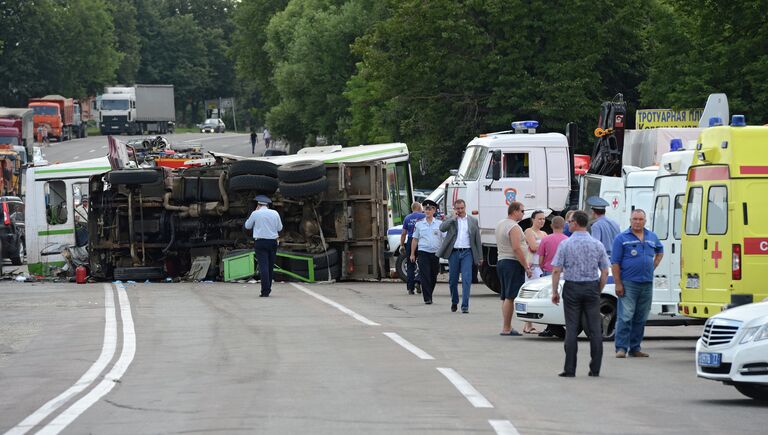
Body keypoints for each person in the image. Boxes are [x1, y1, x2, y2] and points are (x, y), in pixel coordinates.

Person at [551, 210, 610, 378]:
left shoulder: (566, 244)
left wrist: (555, 291)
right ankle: (595, 369)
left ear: (575, 223)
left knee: (571, 328)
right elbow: (605, 271)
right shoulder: (597, 244)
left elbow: (556, 270)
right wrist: (598, 289)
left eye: (570, 221)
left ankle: (570, 369)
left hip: (572, 287)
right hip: (591, 287)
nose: (568, 224)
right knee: (594, 329)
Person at [611, 209, 664, 358]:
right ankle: (621, 348)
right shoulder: (621, 238)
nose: (637, 222)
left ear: (645, 221)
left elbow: (660, 250)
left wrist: (653, 266)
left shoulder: (652, 236)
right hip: (628, 283)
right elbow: (615, 263)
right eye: (635, 219)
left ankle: (635, 348)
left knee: (641, 317)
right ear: (630, 220)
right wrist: (618, 283)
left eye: (640, 219)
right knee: (625, 316)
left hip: (646, 283)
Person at [438, 199, 482, 313]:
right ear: (455, 209)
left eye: (462, 208)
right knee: (453, 280)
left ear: (465, 207)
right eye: (458, 208)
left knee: (467, 279)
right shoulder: (451, 219)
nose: (460, 210)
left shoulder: (473, 220)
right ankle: (454, 301)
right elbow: (442, 228)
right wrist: (453, 218)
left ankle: (465, 306)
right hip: (454, 252)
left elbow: (477, 239)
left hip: (467, 252)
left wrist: (480, 256)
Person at [495, 201, 530, 336]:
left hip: (502, 261)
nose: (523, 213)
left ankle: (506, 325)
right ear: (514, 211)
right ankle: (506, 327)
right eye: (522, 211)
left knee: (505, 296)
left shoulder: (500, 224)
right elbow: (516, 248)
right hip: (512, 263)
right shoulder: (514, 227)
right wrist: (526, 266)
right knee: (510, 296)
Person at [535, 215, 569, 338]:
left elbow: (541, 259)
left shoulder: (546, 239)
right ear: (564, 225)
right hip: (563, 272)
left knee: (548, 300)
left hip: (549, 271)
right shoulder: (567, 239)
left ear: (551, 226)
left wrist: (543, 267)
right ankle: (555, 326)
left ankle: (551, 327)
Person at [244, 194, 283, 297]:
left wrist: (254, 213)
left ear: (258, 205)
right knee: (270, 266)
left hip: (260, 242)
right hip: (273, 242)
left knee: (263, 266)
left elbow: (247, 226)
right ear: (268, 205)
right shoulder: (275, 213)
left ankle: (265, 291)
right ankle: (268, 288)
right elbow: (279, 228)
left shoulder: (255, 213)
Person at [410, 200, 443, 304]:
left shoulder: (439, 224)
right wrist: (412, 253)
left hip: (435, 253)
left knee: (433, 275)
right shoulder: (419, 224)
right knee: (425, 275)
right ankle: (427, 298)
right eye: (426, 209)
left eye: (430, 209)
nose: (427, 211)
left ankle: (429, 293)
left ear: (434, 210)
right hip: (423, 252)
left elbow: (445, 238)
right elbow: (415, 239)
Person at [401, 202, 425, 294]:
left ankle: (410, 288)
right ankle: (418, 280)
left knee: (410, 265)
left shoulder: (407, 218)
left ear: (412, 209)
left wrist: (402, 244)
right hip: (421, 240)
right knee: (423, 263)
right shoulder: (423, 216)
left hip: (411, 240)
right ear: (419, 208)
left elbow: (403, 233)